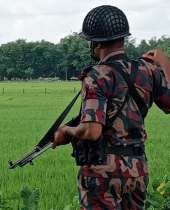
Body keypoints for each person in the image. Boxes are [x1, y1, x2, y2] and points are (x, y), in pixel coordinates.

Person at [51, 5, 170, 210]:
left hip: (103, 173)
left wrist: (66, 130)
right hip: (137, 170)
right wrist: (165, 63)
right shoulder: (147, 70)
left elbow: (91, 130)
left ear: (96, 43)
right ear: (122, 38)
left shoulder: (97, 75)